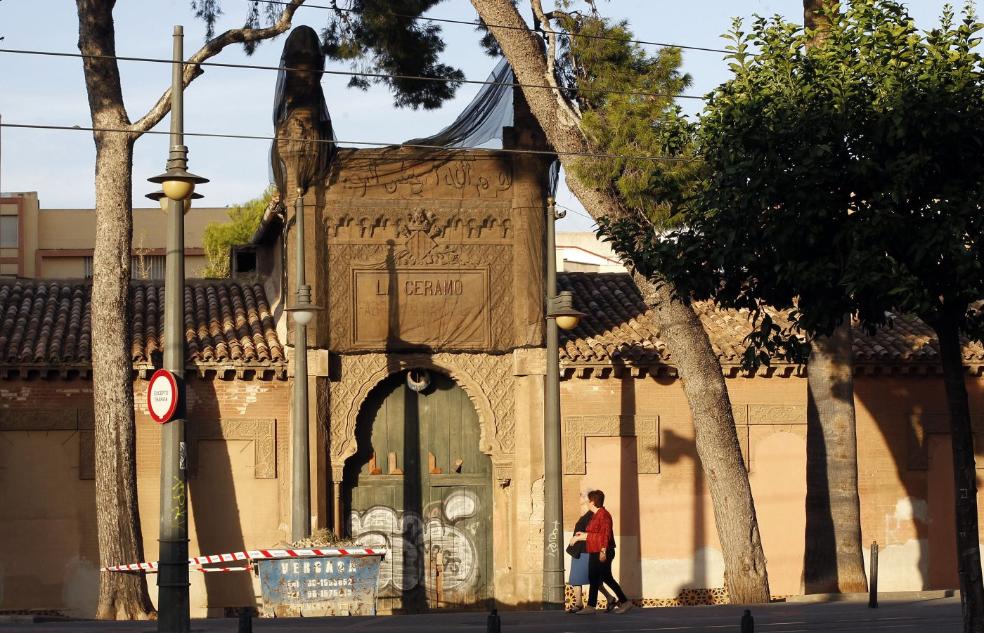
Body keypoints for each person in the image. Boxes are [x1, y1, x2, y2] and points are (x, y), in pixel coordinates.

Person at [572, 490, 632, 614]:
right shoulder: (596, 515)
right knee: (594, 578)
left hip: (603, 551)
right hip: (595, 550)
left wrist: (602, 550)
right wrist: (583, 534)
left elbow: (605, 535)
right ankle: (591, 607)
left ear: (593, 502)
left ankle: (625, 602)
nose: (586, 503)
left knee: (607, 578)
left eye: (588, 501)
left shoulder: (604, 515)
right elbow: (595, 533)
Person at [567, 492, 615, 612]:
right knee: (579, 578)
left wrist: (578, 538)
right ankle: (580, 603)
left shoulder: (596, 514)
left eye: (583, 497)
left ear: (591, 501)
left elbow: (599, 535)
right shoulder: (588, 513)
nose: (580, 499)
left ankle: (610, 600)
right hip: (579, 550)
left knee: (593, 578)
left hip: (586, 550)